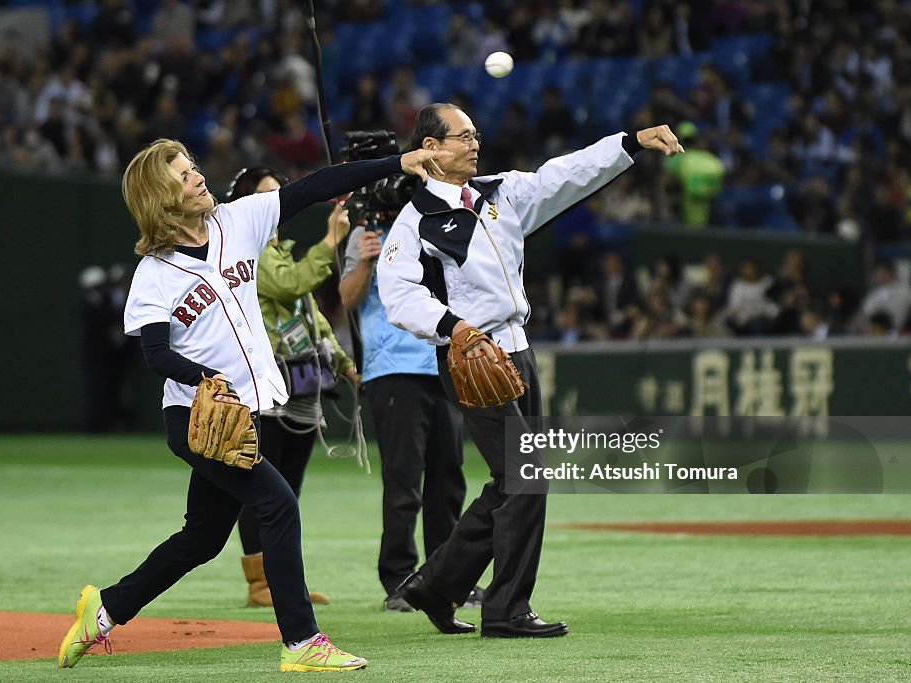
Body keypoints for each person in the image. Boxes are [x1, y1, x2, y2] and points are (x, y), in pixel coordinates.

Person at [57, 137, 449, 672]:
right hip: (198, 416)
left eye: (193, 167)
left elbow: (313, 187)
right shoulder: (154, 275)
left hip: (243, 412)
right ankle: (303, 643)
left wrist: (396, 163)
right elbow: (154, 354)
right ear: (161, 197)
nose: (198, 177)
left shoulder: (236, 223)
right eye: (183, 174)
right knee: (278, 504)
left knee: (202, 538)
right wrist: (207, 378)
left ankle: (103, 610)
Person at [377, 103, 682, 638]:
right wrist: (455, 329)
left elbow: (565, 174)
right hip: (472, 357)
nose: (475, 143)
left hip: (517, 350)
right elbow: (398, 295)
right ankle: (505, 608)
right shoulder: (417, 219)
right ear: (430, 148)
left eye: (476, 133)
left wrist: (630, 142)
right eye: (462, 136)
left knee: (511, 480)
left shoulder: (500, 193)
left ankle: (434, 586)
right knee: (527, 477)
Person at [226, 166, 358, 608]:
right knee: (265, 485)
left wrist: (342, 361)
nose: (276, 202)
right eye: (266, 195)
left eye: (278, 194)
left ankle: (283, 582)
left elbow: (311, 314)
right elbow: (291, 284)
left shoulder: (278, 248)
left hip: (300, 381)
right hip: (268, 384)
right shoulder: (248, 252)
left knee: (288, 488)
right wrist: (329, 242)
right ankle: (259, 583)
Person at [339, 219, 469, 613]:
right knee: (403, 481)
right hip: (393, 367)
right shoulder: (367, 230)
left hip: (445, 361)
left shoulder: (444, 222)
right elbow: (347, 298)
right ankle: (399, 578)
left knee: (448, 480)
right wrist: (363, 262)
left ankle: (446, 580)